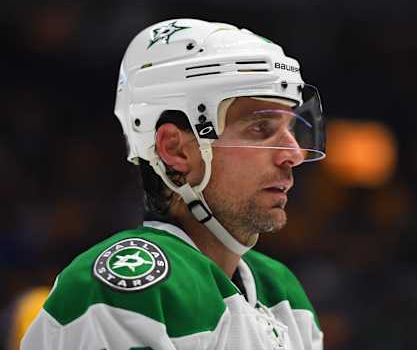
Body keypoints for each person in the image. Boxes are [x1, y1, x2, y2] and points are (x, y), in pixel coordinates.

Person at [21, 18, 326, 350]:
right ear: (175, 150)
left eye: (291, 130)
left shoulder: (282, 294)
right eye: (261, 128)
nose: (293, 153)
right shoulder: (127, 287)